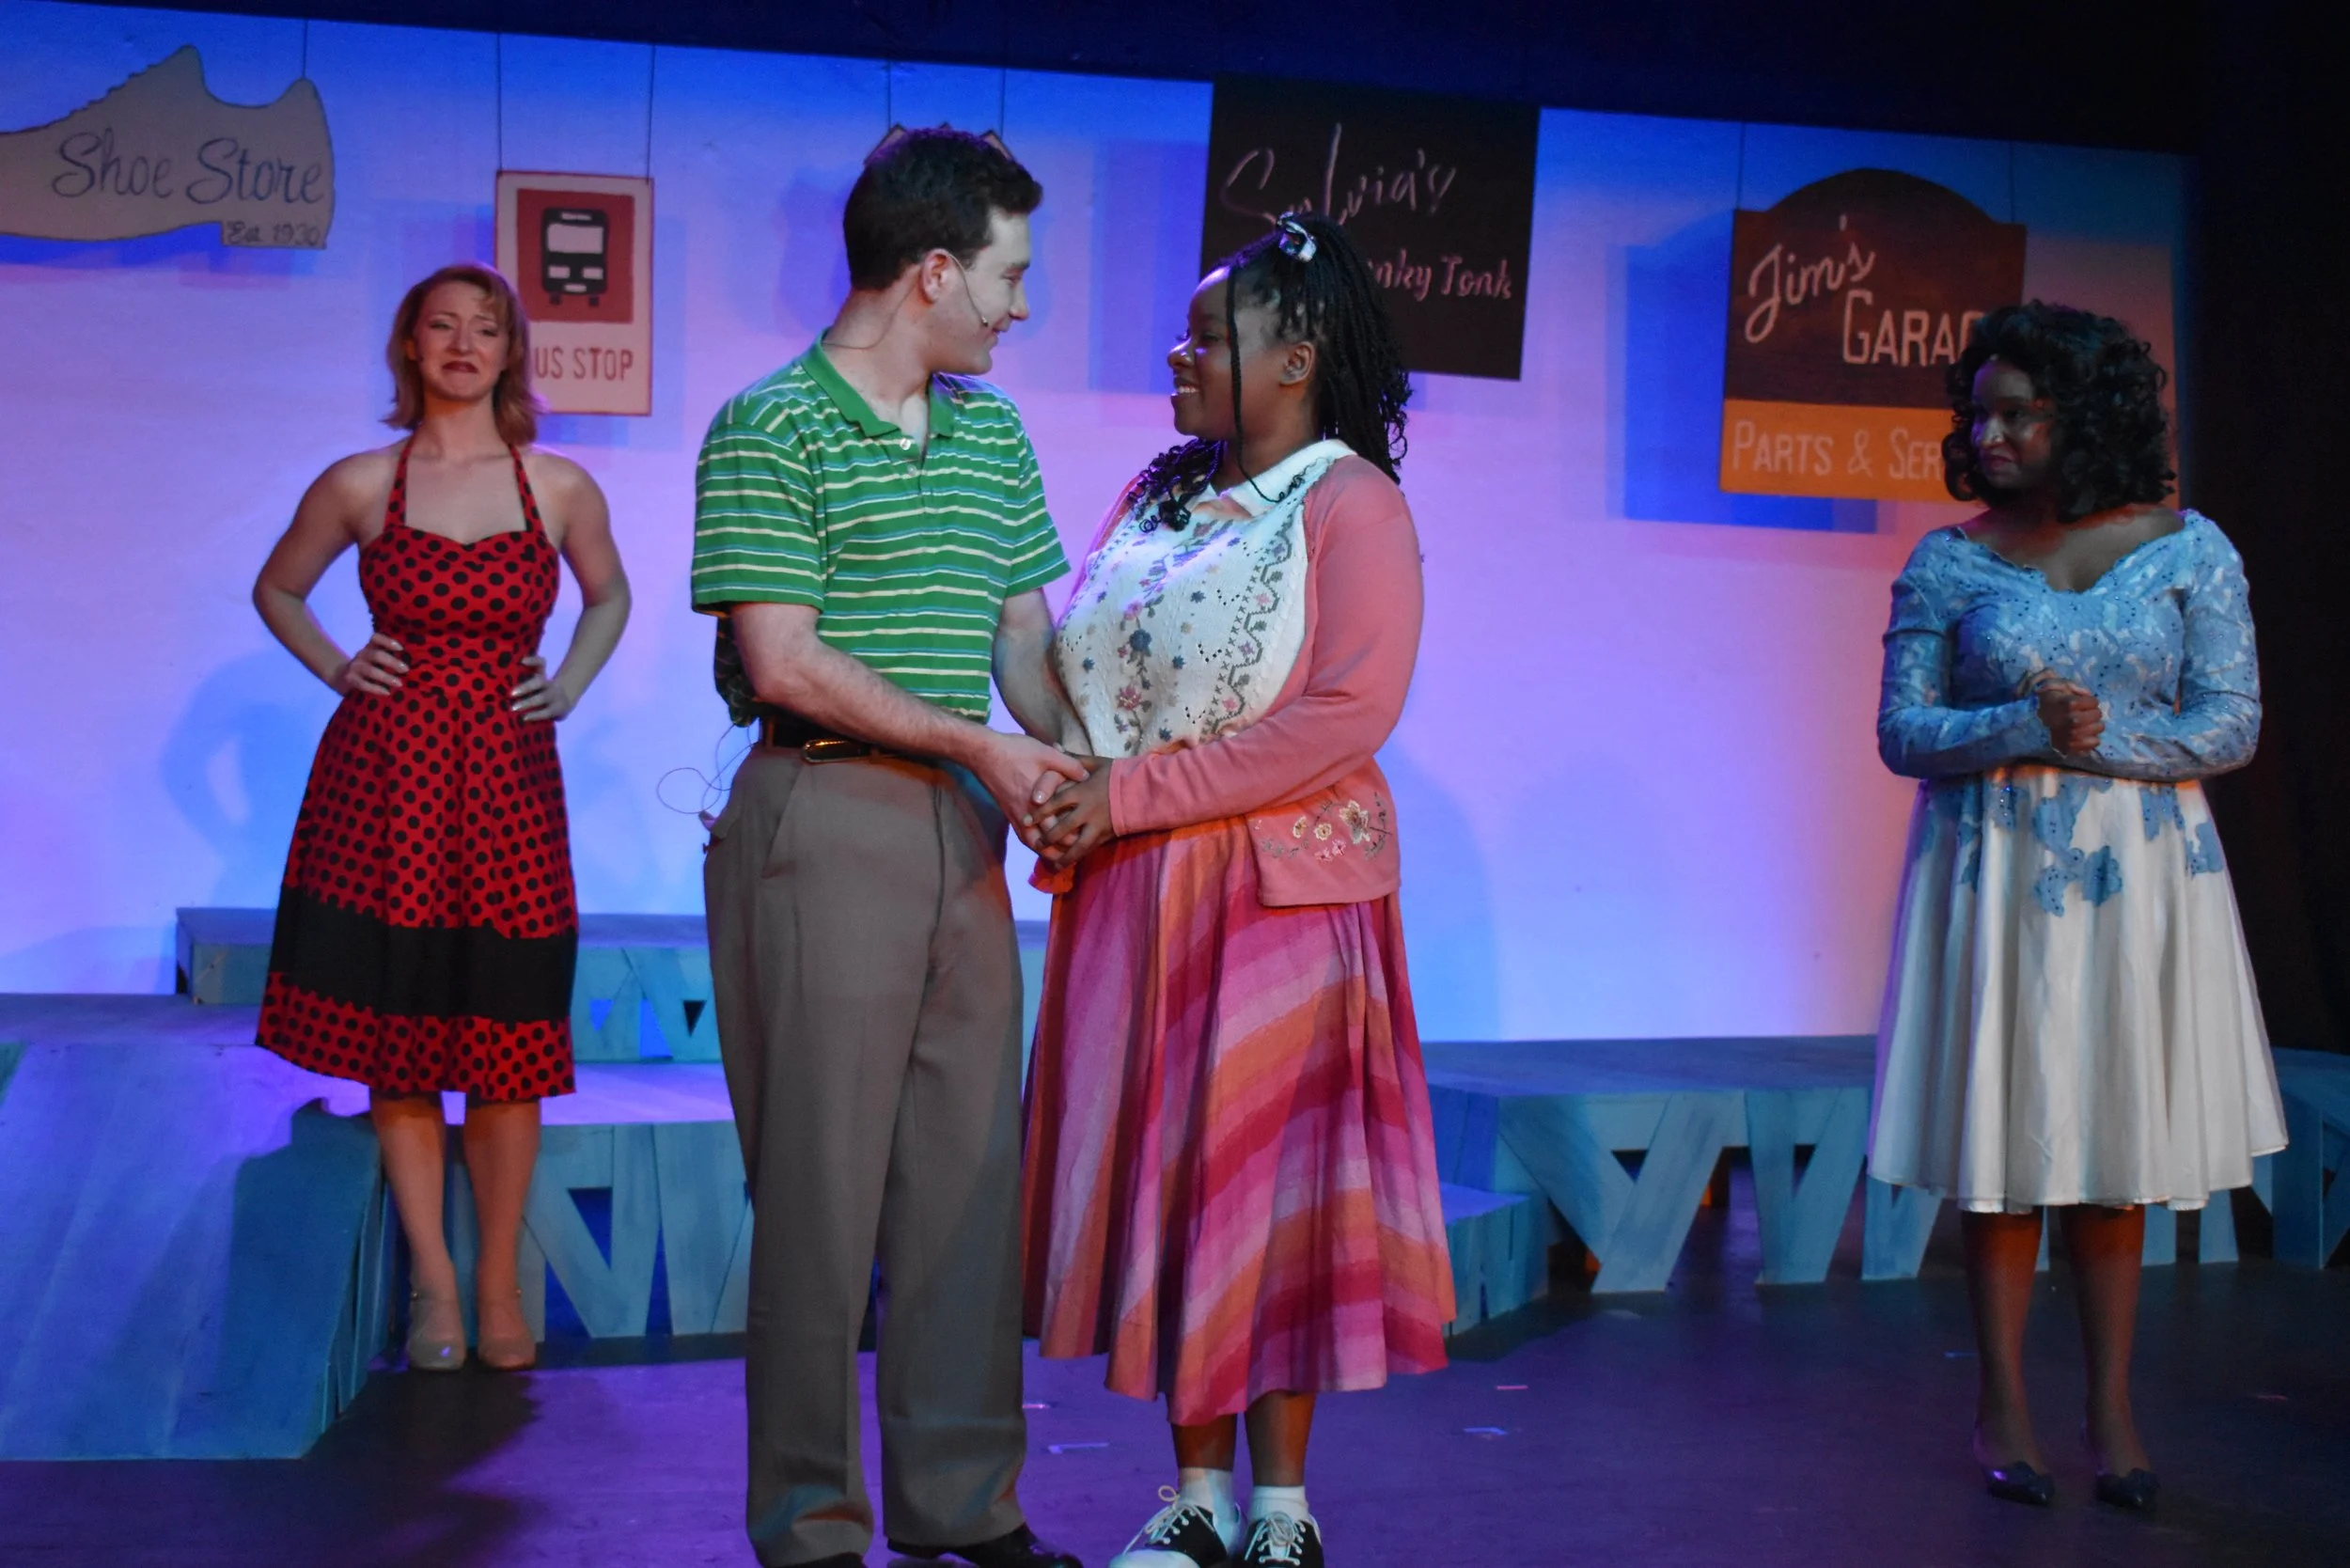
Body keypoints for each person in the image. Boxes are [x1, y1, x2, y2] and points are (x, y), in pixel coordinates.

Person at [1021, 213, 1454, 1568]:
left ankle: (1282, 1510)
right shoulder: (1155, 495)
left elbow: (1345, 714)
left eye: (1210, 335)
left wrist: (1132, 796)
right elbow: (1082, 692)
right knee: (1177, 1189)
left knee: (1267, 1190)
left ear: (1295, 361)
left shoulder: (1353, 502)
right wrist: (1003, 615)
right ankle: (1196, 1499)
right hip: (1140, 898)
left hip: (1278, 902)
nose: (1181, 351)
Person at [690, 128, 1085, 1568]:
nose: (1019, 308)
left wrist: (1083, 765)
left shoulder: (991, 432)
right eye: (1009, 276)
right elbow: (784, 662)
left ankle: (964, 1505)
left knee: (969, 1180)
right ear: (933, 273)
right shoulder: (770, 423)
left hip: (958, 834)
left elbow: (1025, 642)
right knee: (819, 1191)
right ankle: (808, 1526)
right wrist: (981, 742)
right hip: (828, 810)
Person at [1870, 302, 2286, 1511]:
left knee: (2116, 1141)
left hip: (2143, 876)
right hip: (1994, 873)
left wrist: (2100, 746)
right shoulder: (1948, 560)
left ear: (2083, 416)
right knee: (2003, 1147)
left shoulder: (2189, 548)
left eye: (2016, 414)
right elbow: (1901, 732)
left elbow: (2231, 721)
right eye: (1977, 414)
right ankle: (2001, 1400)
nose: (1986, 434)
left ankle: (2111, 1405)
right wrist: (2019, 726)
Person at [253, 261, 632, 1373]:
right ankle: (434, 1288)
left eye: (486, 328)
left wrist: (564, 685)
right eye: (441, 327)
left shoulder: (555, 486)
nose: (464, 344)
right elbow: (278, 586)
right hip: (388, 778)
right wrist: (336, 664)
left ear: (512, 351)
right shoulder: (362, 481)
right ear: (409, 347)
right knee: (404, 1039)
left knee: (508, 1044)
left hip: (509, 779)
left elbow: (610, 596)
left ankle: (500, 1284)